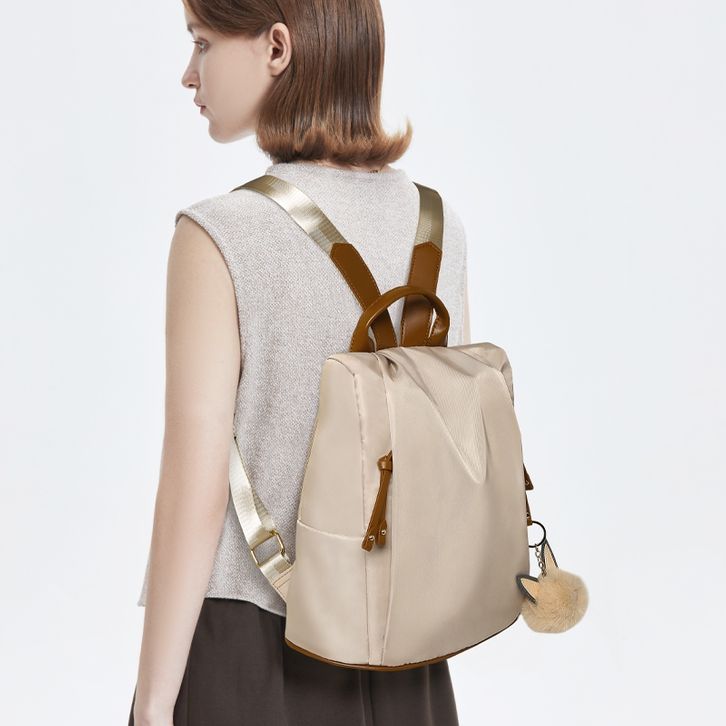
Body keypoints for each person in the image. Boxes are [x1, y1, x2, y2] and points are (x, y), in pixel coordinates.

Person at [128, 1, 471, 724]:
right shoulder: (435, 225)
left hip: (250, 647)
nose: (188, 74)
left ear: (277, 48)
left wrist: (152, 705)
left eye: (202, 43)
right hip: (405, 654)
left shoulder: (220, 233)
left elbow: (195, 485)